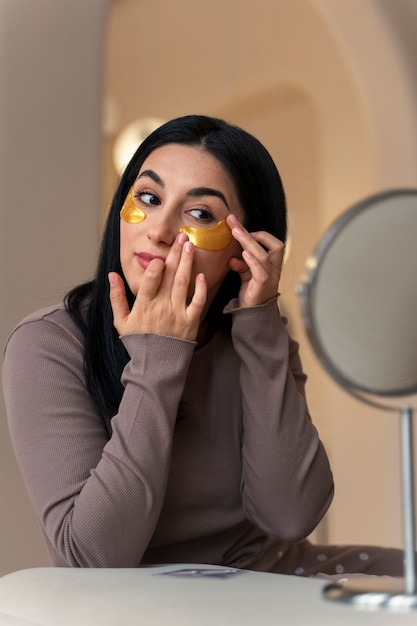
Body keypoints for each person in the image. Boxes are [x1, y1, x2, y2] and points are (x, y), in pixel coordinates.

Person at [2, 115, 406, 577]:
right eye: (148, 199)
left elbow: (290, 516)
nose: (158, 230)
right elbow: (94, 558)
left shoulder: (257, 331)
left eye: (199, 214)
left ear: (245, 246)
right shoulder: (49, 344)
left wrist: (261, 328)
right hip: (136, 604)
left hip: (273, 581)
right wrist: (157, 359)